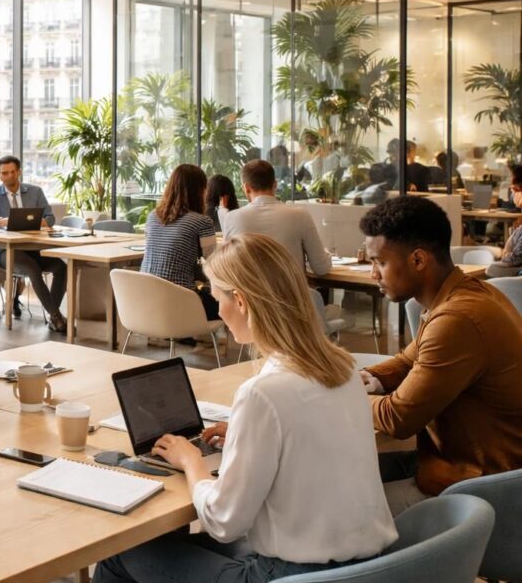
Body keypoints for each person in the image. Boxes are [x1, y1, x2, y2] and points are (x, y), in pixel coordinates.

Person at [95, 234, 396, 583]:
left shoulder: (262, 394)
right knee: (171, 546)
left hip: (287, 575)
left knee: (121, 554)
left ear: (240, 302)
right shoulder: (343, 369)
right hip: (364, 569)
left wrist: (192, 462)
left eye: (215, 296)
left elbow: (224, 522)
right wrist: (243, 434)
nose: (216, 309)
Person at [358, 196, 522, 514]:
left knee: (342, 508)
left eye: (379, 262)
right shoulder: (463, 293)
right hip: (459, 463)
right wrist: (369, 378)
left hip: (484, 486)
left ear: (418, 260)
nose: (372, 274)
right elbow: (409, 360)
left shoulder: (457, 318)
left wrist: (341, 393)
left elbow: (398, 418)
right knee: (347, 473)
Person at [0, 155, 68, 333]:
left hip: (34, 249)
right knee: (32, 269)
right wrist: (6, 221)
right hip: (7, 251)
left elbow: (50, 218)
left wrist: (40, 222)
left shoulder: (35, 192)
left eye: (12, 172)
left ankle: (54, 315)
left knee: (61, 267)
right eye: (4, 173)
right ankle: (56, 316)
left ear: (19, 172)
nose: (8, 176)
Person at [222, 159, 332, 276]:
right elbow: (321, 268)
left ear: (246, 187)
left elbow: (226, 267)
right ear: (275, 184)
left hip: (249, 293)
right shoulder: (300, 215)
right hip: (290, 293)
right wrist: (327, 254)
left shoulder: (231, 218)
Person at [141, 163, 219, 319]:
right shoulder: (202, 222)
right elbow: (215, 262)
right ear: (200, 190)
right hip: (180, 305)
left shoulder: (152, 216)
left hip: (144, 303)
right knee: (234, 302)